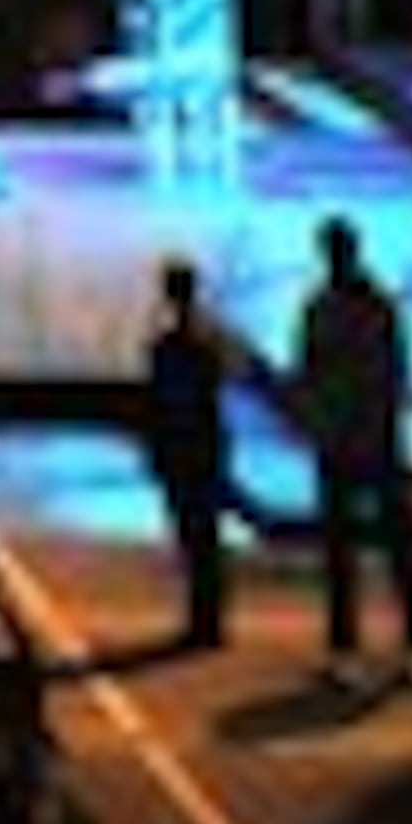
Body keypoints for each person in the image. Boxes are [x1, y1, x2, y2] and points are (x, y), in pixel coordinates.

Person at [289, 218, 412, 680]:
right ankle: (387, 640)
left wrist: (319, 418)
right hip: (363, 436)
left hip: (354, 436)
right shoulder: (368, 306)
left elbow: (312, 368)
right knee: (375, 545)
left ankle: (375, 641)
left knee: (361, 546)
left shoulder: (330, 307)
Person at [135, 262, 243, 654]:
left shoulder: (168, 343)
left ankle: (204, 619)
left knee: (193, 534)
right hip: (205, 444)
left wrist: (153, 448)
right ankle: (209, 618)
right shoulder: (209, 338)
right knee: (204, 536)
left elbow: (157, 402)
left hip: (184, 446)